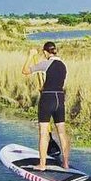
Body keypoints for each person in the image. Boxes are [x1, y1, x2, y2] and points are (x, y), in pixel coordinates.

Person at [22, 41, 70, 170]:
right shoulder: (63, 66)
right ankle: (65, 163)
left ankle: (42, 165)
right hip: (59, 98)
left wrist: (30, 56)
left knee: (43, 133)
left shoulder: (46, 63)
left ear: (45, 52)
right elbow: (56, 82)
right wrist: (44, 87)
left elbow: (25, 71)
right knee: (62, 133)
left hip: (47, 99)